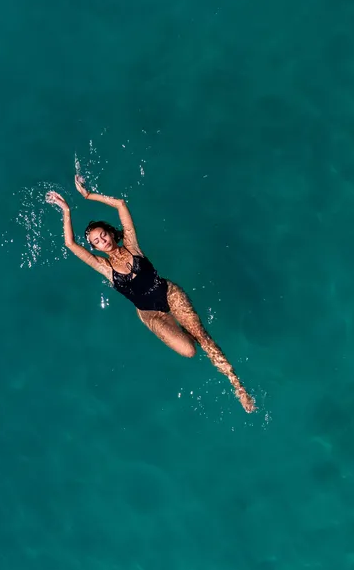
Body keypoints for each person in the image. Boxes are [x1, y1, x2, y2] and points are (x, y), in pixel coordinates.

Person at [46, 175, 256, 413]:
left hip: (169, 295)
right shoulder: (104, 267)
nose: (102, 240)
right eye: (96, 241)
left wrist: (88, 195)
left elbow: (121, 205)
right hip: (152, 314)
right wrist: (66, 210)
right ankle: (184, 332)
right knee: (189, 350)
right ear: (94, 248)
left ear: (111, 233)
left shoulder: (133, 246)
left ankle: (239, 389)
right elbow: (71, 245)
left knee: (203, 337)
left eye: (103, 234)